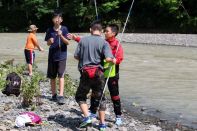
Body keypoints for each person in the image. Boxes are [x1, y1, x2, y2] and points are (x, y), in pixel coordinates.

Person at [74, 21, 115, 131]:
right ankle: (102, 125)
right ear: (101, 31)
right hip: (98, 73)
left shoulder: (82, 40)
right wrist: (113, 59)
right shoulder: (104, 42)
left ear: (90, 30)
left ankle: (87, 117)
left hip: (85, 73)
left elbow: (76, 57)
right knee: (101, 98)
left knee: (80, 96)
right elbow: (108, 59)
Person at [45, 11, 70, 105]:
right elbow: (47, 43)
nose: (57, 19)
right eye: (55, 18)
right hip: (52, 56)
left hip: (62, 56)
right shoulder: (49, 30)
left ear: (61, 20)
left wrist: (61, 35)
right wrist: (49, 42)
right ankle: (53, 94)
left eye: (58, 18)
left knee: (61, 75)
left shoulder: (64, 29)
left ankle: (61, 95)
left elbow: (68, 42)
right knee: (52, 76)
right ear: (52, 20)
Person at [104, 24, 124, 126]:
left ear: (113, 33)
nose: (105, 32)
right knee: (98, 92)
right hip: (102, 70)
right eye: (105, 31)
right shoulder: (103, 42)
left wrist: (116, 60)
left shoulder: (117, 44)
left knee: (115, 95)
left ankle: (118, 116)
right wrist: (75, 38)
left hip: (113, 72)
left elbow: (120, 57)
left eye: (107, 31)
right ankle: (93, 111)